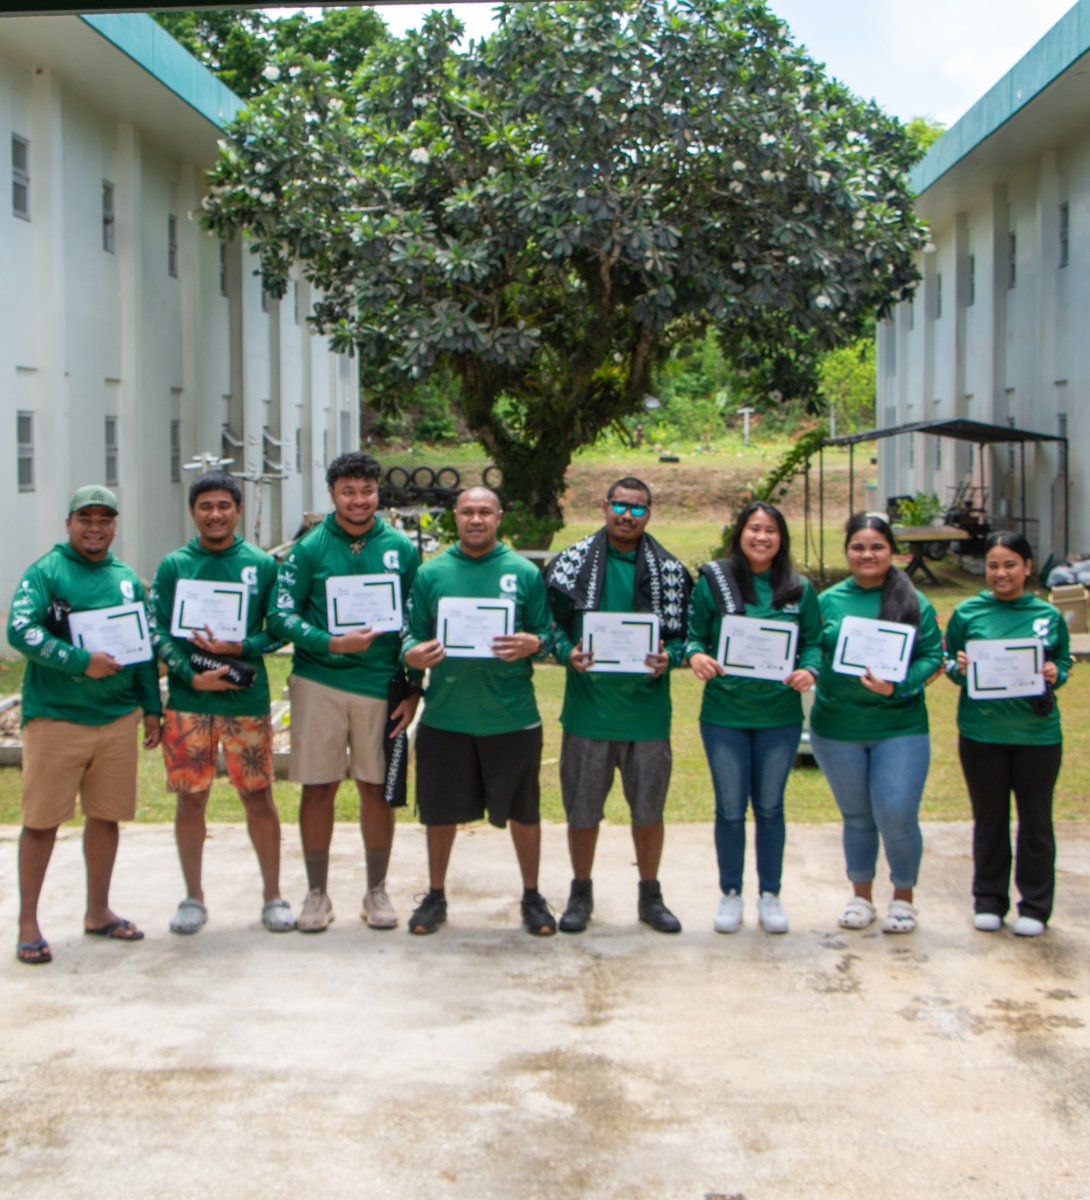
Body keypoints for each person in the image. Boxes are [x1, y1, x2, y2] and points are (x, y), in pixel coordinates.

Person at [7, 486, 162, 965]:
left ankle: (98, 911)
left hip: (115, 719)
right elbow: (21, 630)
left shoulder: (127, 579)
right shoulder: (46, 572)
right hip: (57, 717)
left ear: (115, 524)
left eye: (105, 519)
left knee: (106, 816)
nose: (95, 527)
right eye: (85, 518)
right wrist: (80, 662)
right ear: (69, 523)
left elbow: (143, 649)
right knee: (41, 822)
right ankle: (28, 922)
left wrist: (151, 706)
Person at [268, 451, 421, 933]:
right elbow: (279, 617)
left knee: (378, 788)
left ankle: (376, 890)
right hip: (321, 681)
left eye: (367, 490)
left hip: (381, 685)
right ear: (332, 494)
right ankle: (317, 893)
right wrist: (329, 642)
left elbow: (417, 621)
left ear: (379, 492)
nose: (359, 500)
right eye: (348, 491)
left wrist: (413, 687)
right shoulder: (308, 549)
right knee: (319, 787)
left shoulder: (401, 548)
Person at [401, 487, 555, 936]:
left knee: (524, 811)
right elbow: (411, 634)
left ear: (499, 517)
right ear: (455, 517)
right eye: (467, 511)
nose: (475, 519)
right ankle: (435, 895)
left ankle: (531, 895)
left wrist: (535, 643)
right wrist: (413, 655)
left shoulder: (523, 573)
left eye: (484, 512)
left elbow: (546, 632)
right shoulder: (433, 574)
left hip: (511, 717)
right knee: (439, 812)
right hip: (447, 715)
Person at [544, 477, 692, 934]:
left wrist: (674, 658)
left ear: (649, 514)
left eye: (638, 509)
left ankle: (650, 896)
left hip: (646, 717)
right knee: (582, 812)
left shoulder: (670, 571)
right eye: (620, 506)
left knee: (649, 813)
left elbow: (691, 637)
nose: (627, 516)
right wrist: (565, 651)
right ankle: (580, 893)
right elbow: (546, 624)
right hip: (588, 715)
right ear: (604, 506)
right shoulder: (568, 565)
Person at [150, 471, 295, 935]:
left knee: (258, 797)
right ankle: (193, 896)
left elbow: (278, 629)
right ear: (194, 512)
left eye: (224, 506)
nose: (215, 514)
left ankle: (273, 896)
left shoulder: (260, 565)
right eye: (206, 506)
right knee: (191, 800)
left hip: (244, 698)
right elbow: (159, 632)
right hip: (189, 702)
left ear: (236, 510)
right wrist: (192, 674)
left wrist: (241, 647)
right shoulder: (174, 565)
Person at [686, 502, 822, 935]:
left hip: (778, 717)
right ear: (739, 534)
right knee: (729, 809)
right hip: (725, 715)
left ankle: (770, 894)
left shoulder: (799, 589)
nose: (761, 537)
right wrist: (696, 656)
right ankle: (730, 893)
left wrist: (809, 669)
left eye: (770, 530)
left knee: (769, 808)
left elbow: (815, 643)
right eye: (754, 529)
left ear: (781, 538)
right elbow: (693, 635)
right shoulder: (715, 583)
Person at [809, 513, 943, 934]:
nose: (867, 555)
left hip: (899, 727)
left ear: (893, 552)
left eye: (877, 547)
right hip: (837, 727)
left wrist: (897, 688)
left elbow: (932, 658)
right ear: (847, 551)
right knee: (857, 816)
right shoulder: (826, 601)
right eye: (858, 547)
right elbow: (810, 648)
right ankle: (860, 897)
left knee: (897, 813)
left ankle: (903, 899)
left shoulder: (915, 601)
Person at [944, 531, 1072, 936]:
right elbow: (948, 663)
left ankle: (1034, 906)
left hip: (1037, 735)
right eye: (994, 565)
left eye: (1010, 564)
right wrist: (959, 668)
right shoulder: (967, 613)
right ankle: (988, 901)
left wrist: (1057, 672)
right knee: (990, 820)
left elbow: (1064, 661)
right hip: (982, 734)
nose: (1001, 573)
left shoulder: (1047, 616)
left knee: (1035, 823)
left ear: (1027, 567)